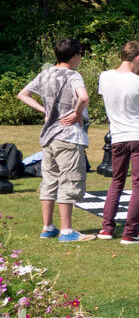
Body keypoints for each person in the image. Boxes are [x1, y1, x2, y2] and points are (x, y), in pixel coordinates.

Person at [17, 38, 91, 241]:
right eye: (80, 54)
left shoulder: (46, 73)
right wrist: (77, 113)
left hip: (49, 136)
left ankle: (47, 227)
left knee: (49, 181)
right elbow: (83, 97)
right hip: (68, 136)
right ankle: (67, 231)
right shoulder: (73, 75)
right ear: (74, 56)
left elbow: (23, 94)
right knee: (69, 181)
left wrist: (46, 111)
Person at [95, 42, 139, 244]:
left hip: (118, 136)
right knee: (138, 185)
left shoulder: (104, 77)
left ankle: (107, 228)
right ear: (137, 58)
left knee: (116, 182)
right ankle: (131, 232)